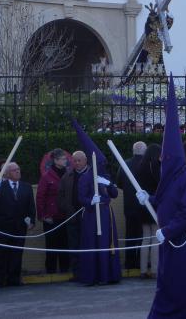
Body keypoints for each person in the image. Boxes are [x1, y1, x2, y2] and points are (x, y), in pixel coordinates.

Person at [137, 75, 186, 318]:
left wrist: (167, 230)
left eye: (166, 159)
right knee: (167, 281)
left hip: (182, 240)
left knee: (178, 284)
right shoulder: (171, 178)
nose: (163, 163)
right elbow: (163, 201)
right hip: (170, 239)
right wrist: (148, 198)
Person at [72, 119, 122, 285]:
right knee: (93, 243)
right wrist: (91, 201)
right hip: (92, 215)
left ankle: (108, 275)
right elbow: (81, 198)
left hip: (106, 213)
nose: (102, 164)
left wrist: (109, 184)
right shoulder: (85, 178)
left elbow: (114, 194)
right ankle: (92, 276)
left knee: (106, 243)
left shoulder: (105, 176)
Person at [0, 162, 36, 287]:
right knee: (0, 254)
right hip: (3, 226)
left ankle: (14, 279)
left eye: (18, 169)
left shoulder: (26, 187)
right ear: (7, 173)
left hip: (19, 226)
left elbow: (31, 206)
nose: (17, 171)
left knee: (17, 254)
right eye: (14, 170)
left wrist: (32, 220)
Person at [36, 148, 70, 274]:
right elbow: (40, 196)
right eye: (63, 159)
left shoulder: (68, 174)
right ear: (56, 160)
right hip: (51, 217)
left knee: (65, 244)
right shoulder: (46, 176)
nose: (66, 161)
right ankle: (51, 270)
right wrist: (43, 215)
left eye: (65, 159)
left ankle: (65, 269)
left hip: (65, 216)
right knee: (51, 245)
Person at [57, 150, 89, 279]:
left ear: (85, 161)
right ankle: (77, 273)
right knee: (74, 245)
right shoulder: (67, 176)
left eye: (79, 160)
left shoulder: (92, 174)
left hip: (88, 216)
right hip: (72, 216)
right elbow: (60, 195)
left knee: (88, 244)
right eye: (74, 161)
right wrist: (67, 208)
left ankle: (89, 271)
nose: (76, 163)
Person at [117, 141, 147, 270]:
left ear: (133, 150)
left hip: (129, 204)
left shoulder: (125, 164)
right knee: (143, 235)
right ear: (145, 151)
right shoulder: (147, 164)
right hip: (144, 206)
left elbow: (119, 183)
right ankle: (141, 261)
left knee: (130, 234)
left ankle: (129, 262)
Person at [136, 143, 161, 279]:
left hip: (143, 204)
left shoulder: (140, 166)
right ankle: (155, 269)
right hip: (154, 203)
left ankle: (143, 269)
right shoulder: (156, 167)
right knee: (156, 238)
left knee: (146, 238)